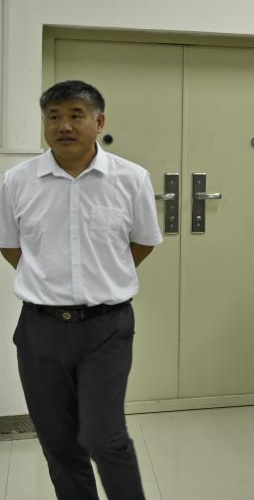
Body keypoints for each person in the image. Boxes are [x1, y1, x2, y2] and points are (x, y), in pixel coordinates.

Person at [0, 80, 162, 500]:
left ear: (99, 121)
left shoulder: (130, 178)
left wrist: (102, 277)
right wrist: (48, 281)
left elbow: (144, 241)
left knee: (103, 436)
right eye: (53, 117)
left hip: (106, 327)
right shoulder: (17, 181)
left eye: (76, 115)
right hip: (40, 330)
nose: (64, 126)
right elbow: (10, 245)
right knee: (59, 444)